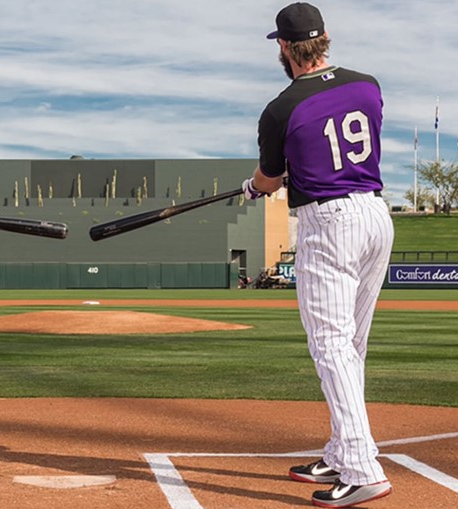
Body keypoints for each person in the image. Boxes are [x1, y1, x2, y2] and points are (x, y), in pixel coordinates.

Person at [241, 3, 394, 508]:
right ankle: (339, 447)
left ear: (284, 47)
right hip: (375, 214)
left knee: (331, 347)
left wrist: (255, 187)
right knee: (351, 345)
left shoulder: (280, 108)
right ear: (324, 38)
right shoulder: (367, 84)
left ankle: (362, 467)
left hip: (330, 224)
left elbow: (269, 178)